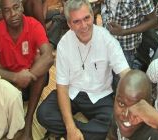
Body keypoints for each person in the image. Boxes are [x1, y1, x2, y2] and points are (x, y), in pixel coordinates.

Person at [36, 0, 130, 139]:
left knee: (115, 122)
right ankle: (82, 132)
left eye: (87, 18)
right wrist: (70, 127)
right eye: (77, 21)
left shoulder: (106, 39)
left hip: (100, 95)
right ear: (69, 24)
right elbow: (62, 86)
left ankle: (64, 134)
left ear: (93, 16)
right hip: (71, 93)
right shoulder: (64, 44)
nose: (84, 26)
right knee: (44, 113)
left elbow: (125, 73)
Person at [0, 0, 54, 138]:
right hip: (9, 82)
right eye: (7, 10)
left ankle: (28, 120)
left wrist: (27, 75)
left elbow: (49, 56)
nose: (13, 14)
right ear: (2, 13)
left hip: (32, 81)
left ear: (22, 7)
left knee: (41, 61)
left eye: (16, 7)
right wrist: (15, 77)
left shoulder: (33, 25)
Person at [108, 70, 158, 140]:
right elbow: (112, 136)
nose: (126, 114)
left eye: (137, 107)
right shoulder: (117, 117)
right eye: (121, 103)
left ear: (149, 105)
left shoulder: (157, 134)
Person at [101, 0, 157, 69]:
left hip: (126, 47)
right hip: (107, 39)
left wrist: (124, 32)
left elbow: (153, 20)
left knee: (120, 77)